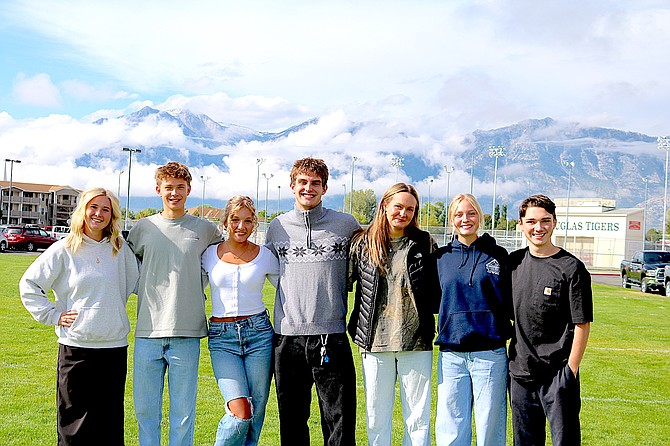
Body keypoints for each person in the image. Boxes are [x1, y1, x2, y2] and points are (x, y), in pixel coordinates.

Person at [19, 187, 139, 445]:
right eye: (93, 207)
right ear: (83, 210)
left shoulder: (120, 249)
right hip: (76, 347)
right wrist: (53, 314)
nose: (99, 214)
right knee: (74, 424)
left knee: (109, 423)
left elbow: (141, 283)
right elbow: (29, 284)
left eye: (106, 209)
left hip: (113, 347)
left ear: (113, 215)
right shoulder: (64, 249)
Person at [265, 157, 361, 446]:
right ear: (292, 186)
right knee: (292, 419)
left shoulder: (346, 224)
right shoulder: (277, 227)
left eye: (315, 183)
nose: (309, 188)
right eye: (303, 182)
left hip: (330, 335)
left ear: (325, 188)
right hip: (287, 338)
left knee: (339, 419)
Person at [127, 161, 220, 446]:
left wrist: (198, 284)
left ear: (189, 190)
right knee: (145, 411)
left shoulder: (206, 230)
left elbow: (224, 260)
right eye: (169, 188)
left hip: (187, 333)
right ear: (158, 190)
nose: (174, 193)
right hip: (148, 331)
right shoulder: (142, 228)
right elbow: (125, 267)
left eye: (180, 187)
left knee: (182, 414)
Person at [348, 182, 437, 446]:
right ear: (385, 206)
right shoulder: (362, 243)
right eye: (398, 206)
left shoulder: (424, 243)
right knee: (376, 416)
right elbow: (342, 284)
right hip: (374, 342)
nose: (404, 213)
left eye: (410, 209)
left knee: (418, 418)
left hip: (416, 342)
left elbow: (436, 290)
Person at [508, 194, 593, 445]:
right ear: (520, 225)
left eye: (545, 221)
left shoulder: (571, 268)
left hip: (557, 375)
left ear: (555, 223)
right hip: (520, 374)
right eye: (531, 221)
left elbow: (582, 323)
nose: (538, 228)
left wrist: (571, 370)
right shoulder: (513, 264)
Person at [433, 193, 512, 446]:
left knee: (490, 425)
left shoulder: (498, 255)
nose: (465, 219)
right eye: (458, 214)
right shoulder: (441, 258)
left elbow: (509, 301)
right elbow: (435, 301)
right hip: (452, 354)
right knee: (451, 427)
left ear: (479, 216)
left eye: (471, 213)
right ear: (451, 220)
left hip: (490, 353)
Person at [202, 196, 279, 445]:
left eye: (247, 221)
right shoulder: (208, 255)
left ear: (254, 224)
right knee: (240, 411)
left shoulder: (265, 255)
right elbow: (190, 286)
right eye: (235, 219)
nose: (241, 226)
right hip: (222, 339)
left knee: (256, 410)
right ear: (225, 221)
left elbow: (287, 291)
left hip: (259, 335)